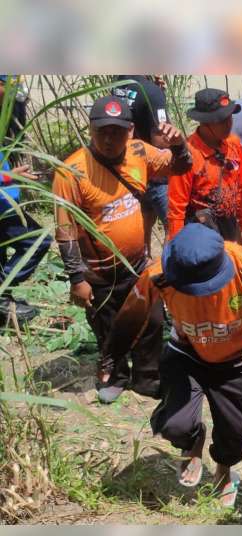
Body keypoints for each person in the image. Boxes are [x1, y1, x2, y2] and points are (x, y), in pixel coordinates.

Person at [100, 224, 242, 508]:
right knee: (175, 425)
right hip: (187, 354)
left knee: (234, 432)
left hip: (238, 361)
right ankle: (193, 442)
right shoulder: (159, 274)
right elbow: (132, 315)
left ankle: (224, 471)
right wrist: (110, 358)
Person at [52, 95, 192, 404]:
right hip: (98, 271)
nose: (108, 138)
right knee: (109, 329)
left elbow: (181, 167)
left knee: (152, 321)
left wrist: (179, 143)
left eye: (116, 131)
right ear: (90, 129)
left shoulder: (139, 152)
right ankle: (114, 376)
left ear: (130, 131)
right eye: (101, 130)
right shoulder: (71, 171)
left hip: (137, 264)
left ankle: (147, 376)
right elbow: (66, 232)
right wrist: (77, 278)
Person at [167, 88, 242, 243]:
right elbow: (176, 209)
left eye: (230, 117)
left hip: (230, 228)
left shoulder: (233, 144)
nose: (229, 124)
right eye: (222, 120)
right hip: (201, 236)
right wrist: (178, 248)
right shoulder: (188, 155)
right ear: (205, 122)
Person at [112, 76, 172, 257]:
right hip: (155, 173)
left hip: (130, 170)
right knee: (174, 225)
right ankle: (168, 272)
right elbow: (161, 139)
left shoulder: (117, 85)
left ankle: (142, 263)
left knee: (145, 218)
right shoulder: (151, 92)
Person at [0, 157, 50, 324]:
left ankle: (4, 300)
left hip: (7, 203)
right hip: (4, 208)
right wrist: (8, 176)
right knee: (38, 242)